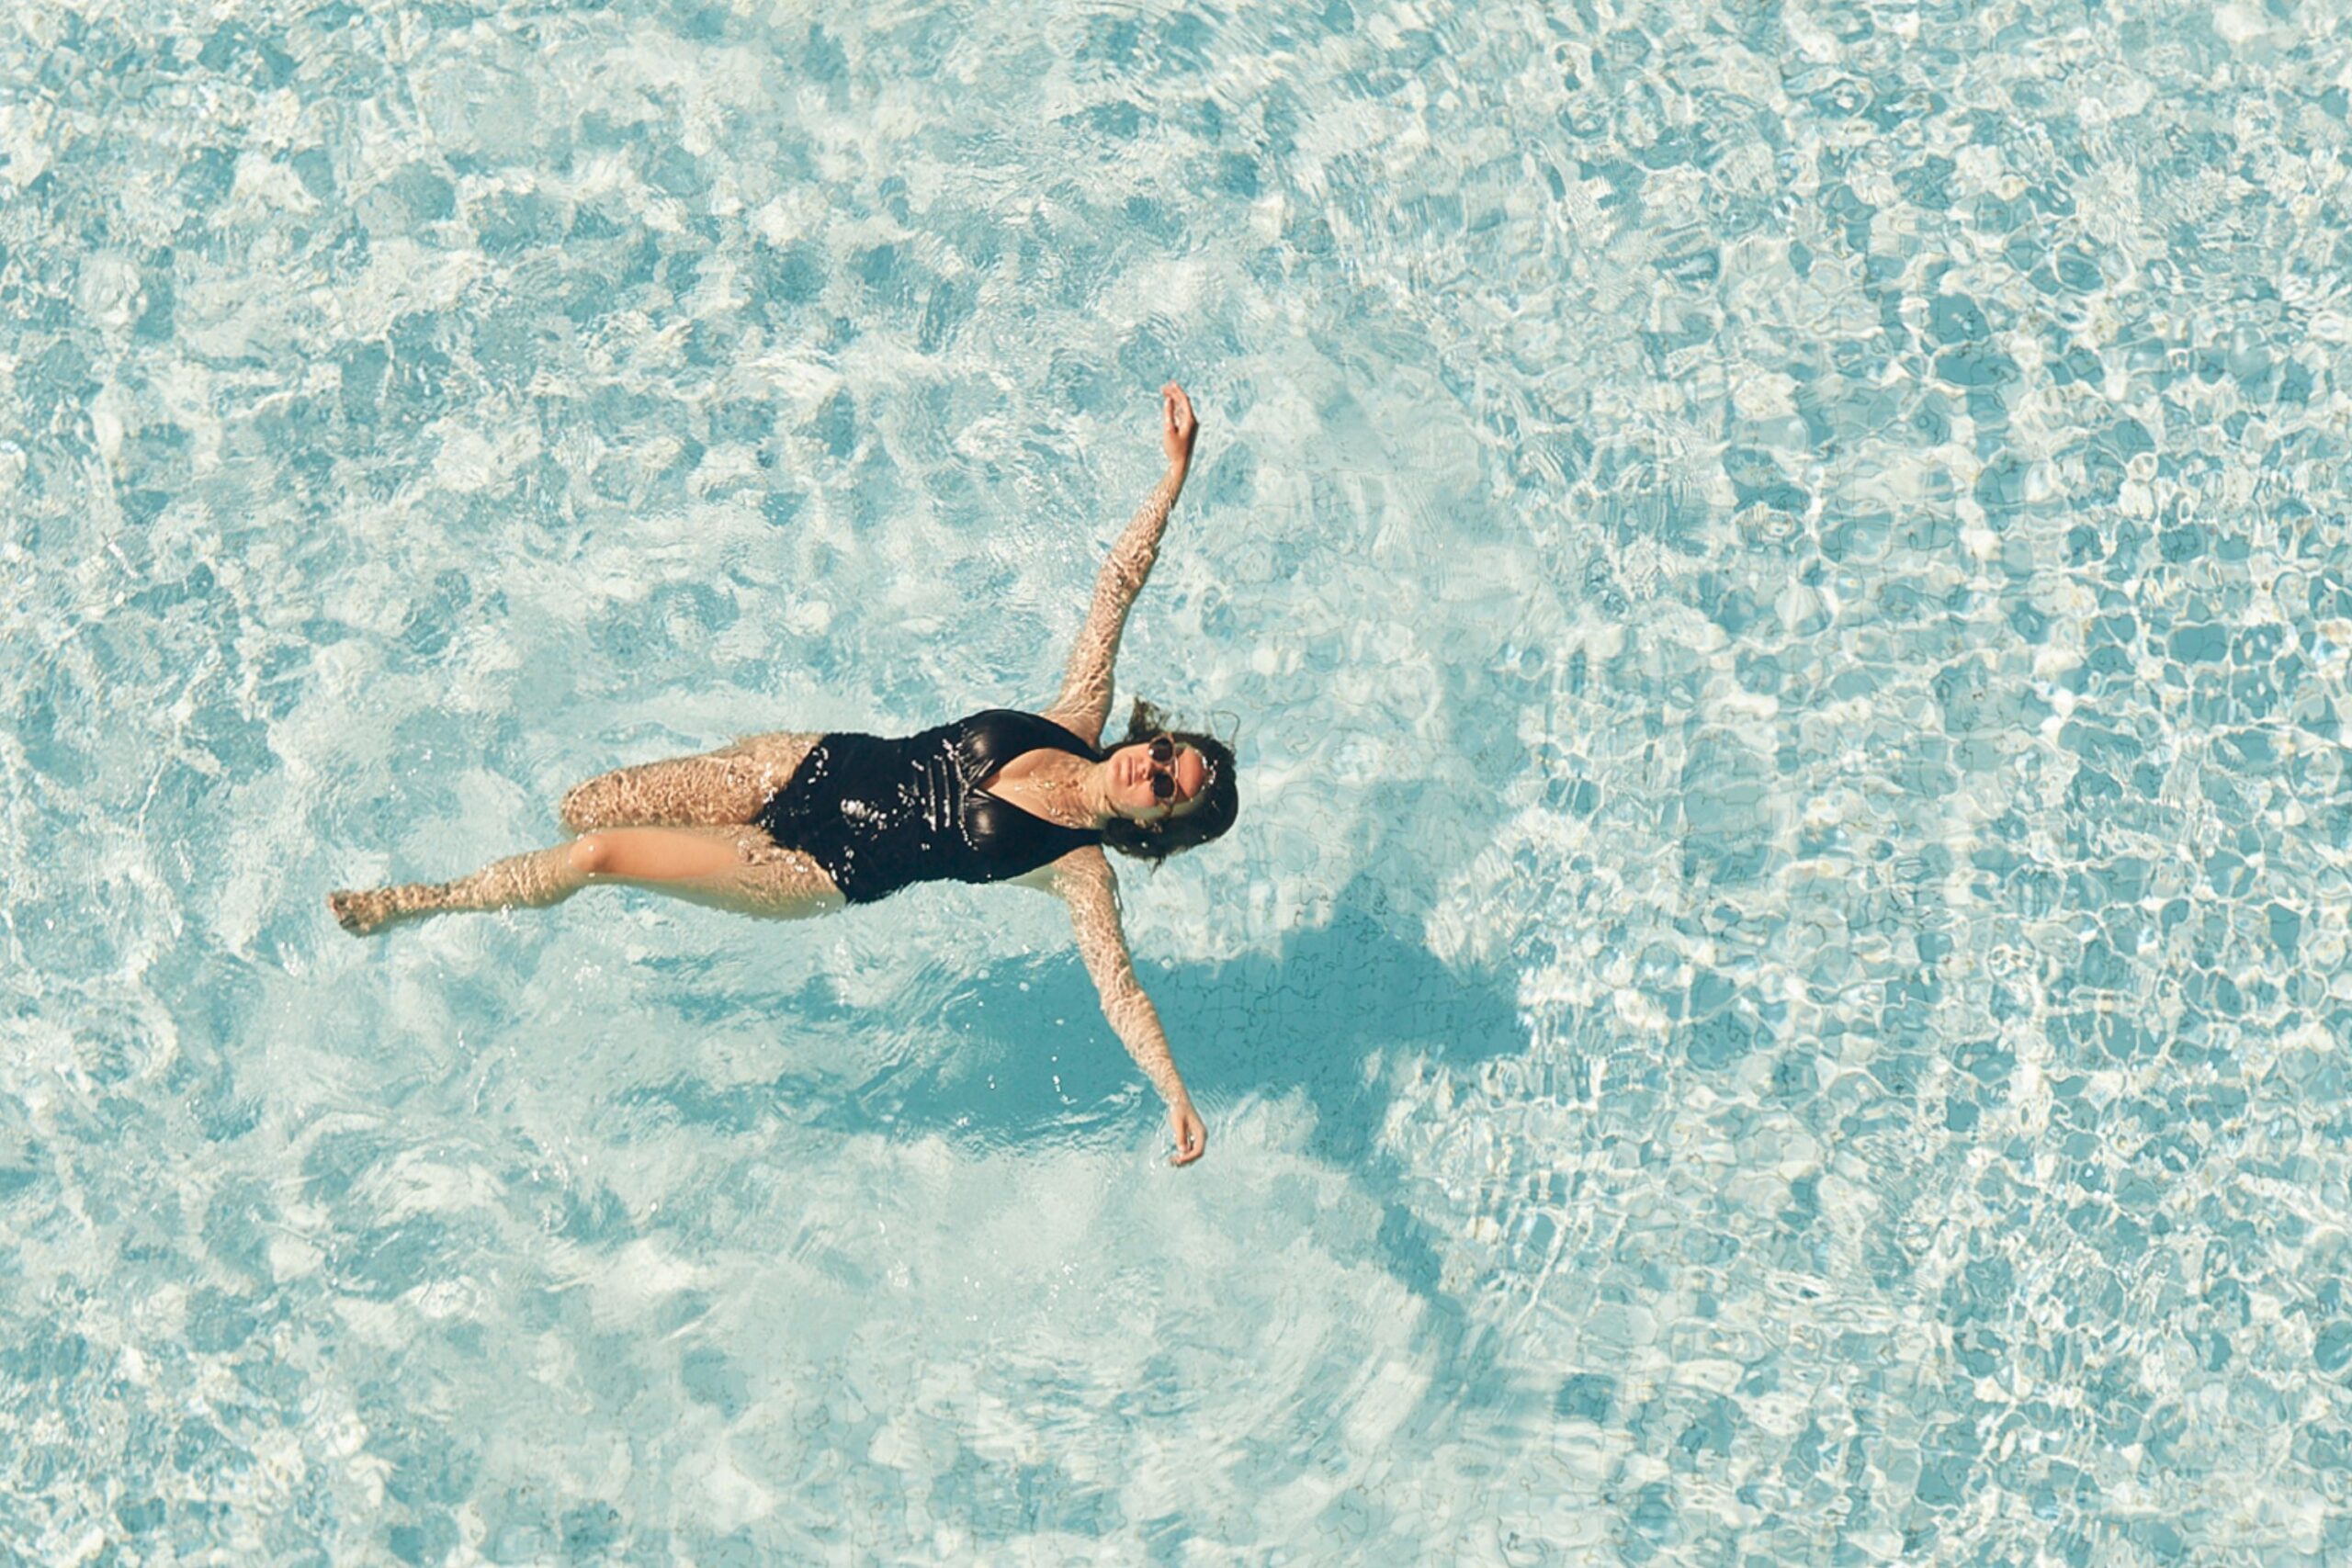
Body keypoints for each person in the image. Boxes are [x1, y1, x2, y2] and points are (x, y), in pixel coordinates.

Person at [329, 385, 1238, 1165]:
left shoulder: (1078, 870)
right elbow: (1115, 589)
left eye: (1166, 786)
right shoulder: (1074, 718)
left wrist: (1174, 1094)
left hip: (815, 870)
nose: (1147, 766)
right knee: (584, 808)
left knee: (599, 855)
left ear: (1157, 826)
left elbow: (1120, 992)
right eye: (1164, 751)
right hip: (802, 761)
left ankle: (417, 903)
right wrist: (1171, 478)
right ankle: (521, 882)